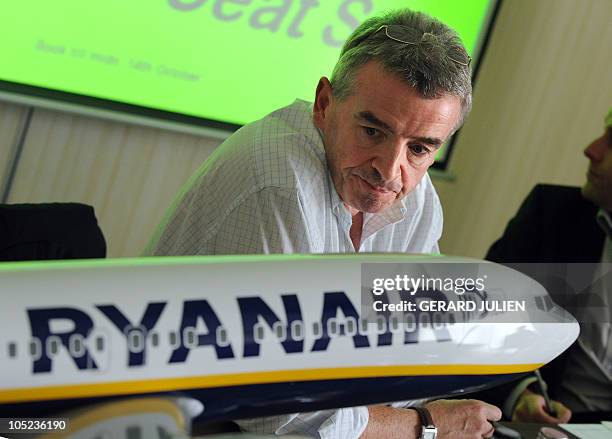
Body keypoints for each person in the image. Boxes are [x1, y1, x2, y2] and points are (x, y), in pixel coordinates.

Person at [147, 8, 501, 439]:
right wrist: (424, 425)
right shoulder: (277, 183)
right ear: (324, 105)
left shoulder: (416, 197)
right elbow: (277, 410)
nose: (390, 171)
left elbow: (415, 352)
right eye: (373, 131)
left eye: (420, 149)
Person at [484, 108, 612, 424]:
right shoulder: (551, 216)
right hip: (539, 425)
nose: (591, 150)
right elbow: (478, 319)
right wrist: (519, 395)